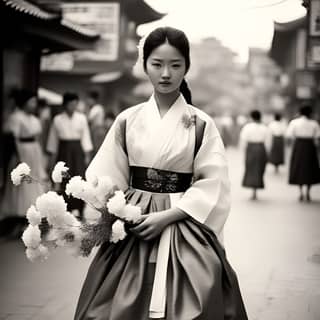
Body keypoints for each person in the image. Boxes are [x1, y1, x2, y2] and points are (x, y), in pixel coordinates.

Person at [75, 27, 247, 320]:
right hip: (134, 218)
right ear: (145, 66)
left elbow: (213, 182)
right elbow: (107, 174)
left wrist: (167, 216)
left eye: (175, 65)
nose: (165, 73)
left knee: (204, 281)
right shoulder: (127, 120)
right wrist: (113, 213)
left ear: (186, 67)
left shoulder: (202, 123)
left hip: (181, 217)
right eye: (157, 64)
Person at [0, 89, 46, 237]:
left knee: (34, 182)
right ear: (24, 103)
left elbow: (38, 139)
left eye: (34, 102)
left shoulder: (34, 119)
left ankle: (32, 216)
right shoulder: (16, 117)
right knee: (22, 184)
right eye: (31, 102)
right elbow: (13, 139)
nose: (34, 105)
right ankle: (18, 217)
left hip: (34, 151)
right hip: (22, 152)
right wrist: (19, 157)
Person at [46, 92, 93, 218]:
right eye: (70, 104)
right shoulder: (57, 119)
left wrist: (87, 155)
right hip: (64, 150)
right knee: (65, 179)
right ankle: (66, 208)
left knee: (79, 178)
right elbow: (53, 140)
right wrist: (51, 159)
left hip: (77, 150)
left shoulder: (81, 118)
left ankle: (80, 208)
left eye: (75, 104)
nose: (73, 106)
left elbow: (86, 137)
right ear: (65, 105)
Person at [286, 104, 320, 201]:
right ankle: (308, 192)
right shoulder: (314, 123)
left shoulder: (294, 122)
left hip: (299, 146)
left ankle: (301, 192)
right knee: (310, 168)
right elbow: (317, 137)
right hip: (310, 147)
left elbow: (289, 135)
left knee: (299, 168)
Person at [240, 110, 269, 200]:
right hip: (261, 148)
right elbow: (268, 142)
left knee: (251, 168)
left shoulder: (247, 127)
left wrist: (244, 150)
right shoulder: (265, 128)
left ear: (251, 117)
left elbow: (243, 140)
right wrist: (267, 152)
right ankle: (255, 189)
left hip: (251, 148)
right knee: (259, 168)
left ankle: (253, 190)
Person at [86, 90, 106, 155]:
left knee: (97, 149)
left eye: (89, 99)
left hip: (97, 130)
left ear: (93, 99)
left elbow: (88, 119)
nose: (88, 101)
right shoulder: (99, 107)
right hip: (98, 130)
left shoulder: (96, 108)